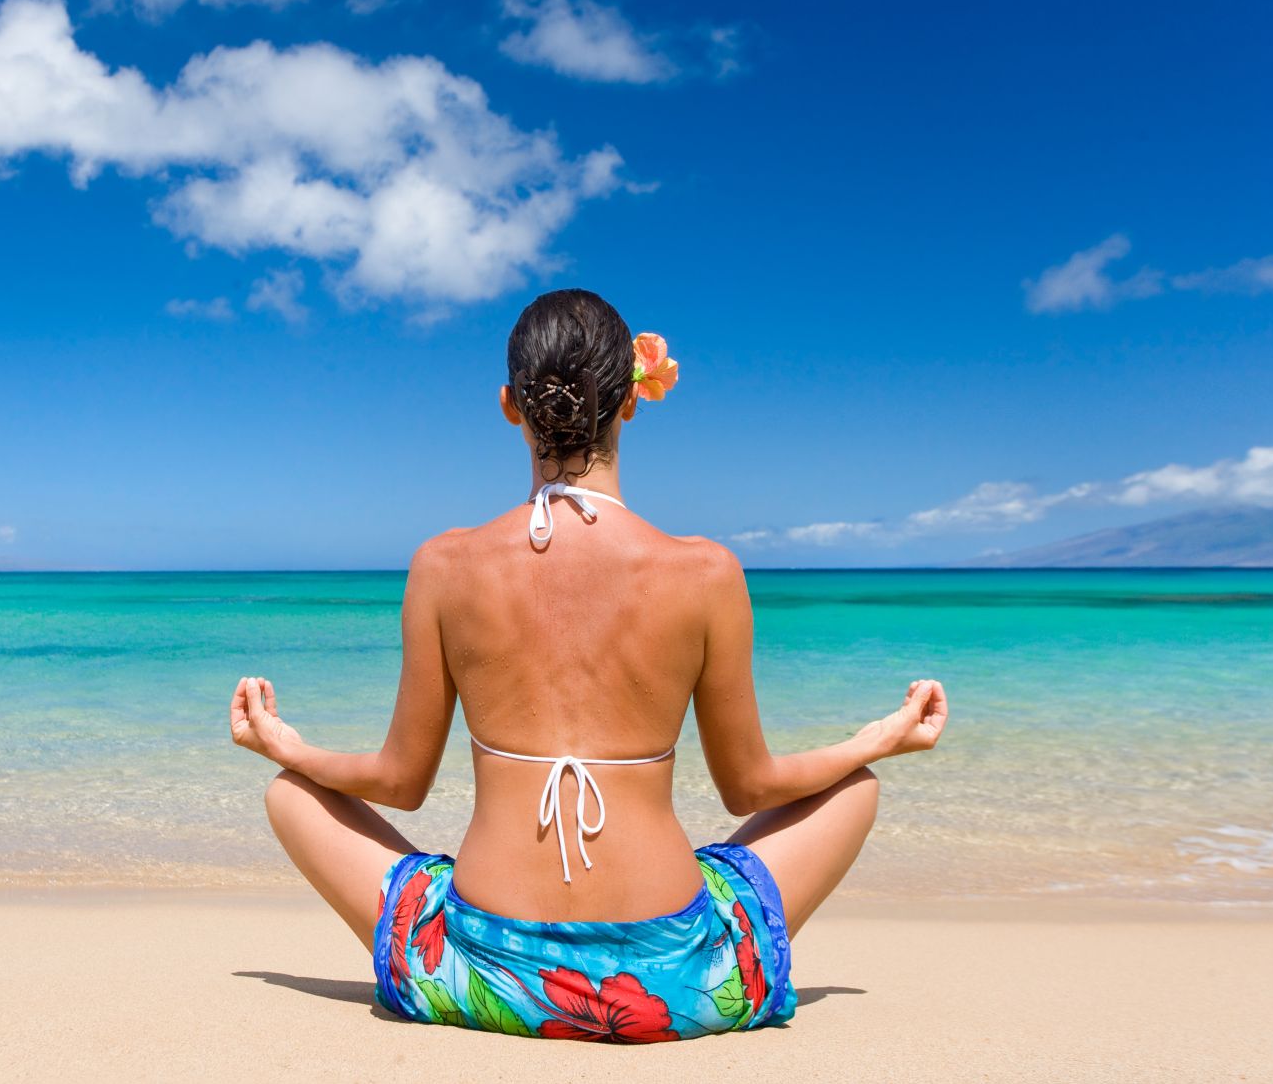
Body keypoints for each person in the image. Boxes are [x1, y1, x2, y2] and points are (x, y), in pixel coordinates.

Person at [229, 288, 949, 1041]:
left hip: (479, 972)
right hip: (671, 983)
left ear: (510, 405)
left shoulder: (442, 565)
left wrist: (292, 748)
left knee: (289, 793)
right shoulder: (706, 572)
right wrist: (879, 738)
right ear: (632, 402)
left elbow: (401, 783)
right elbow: (750, 786)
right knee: (856, 788)